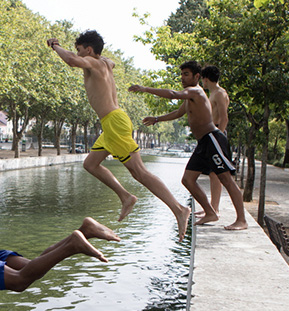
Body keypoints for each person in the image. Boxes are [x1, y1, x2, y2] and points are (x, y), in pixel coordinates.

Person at [47, 30, 191, 241]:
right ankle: (125, 197)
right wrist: (100, 56)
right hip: (111, 124)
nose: (77, 54)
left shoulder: (93, 62)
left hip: (114, 122)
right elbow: (111, 62)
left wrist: (55, 45)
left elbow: (71, 60)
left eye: (79, 50)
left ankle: (179, 209)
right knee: (90, 164)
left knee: (140, 173)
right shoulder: (105, 62)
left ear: (89, 50)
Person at [129, 61, 248, 231]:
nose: (182, 78)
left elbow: (172, 94)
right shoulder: (189, 96)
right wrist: (157, 119)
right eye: (181, 74)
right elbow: (178, 112)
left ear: (197, 76)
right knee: (187, 180)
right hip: (203, 143)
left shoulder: (196, 91)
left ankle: (242, 220)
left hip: (212, 139)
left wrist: (145, 89)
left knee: (226, 179)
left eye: (186, 74)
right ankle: (210, 212)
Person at [200, 65, 231, 217]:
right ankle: (211, 207)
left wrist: (219, 136)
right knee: (212, 173)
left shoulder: (219, 93)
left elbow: (224, 117)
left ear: (206, 79)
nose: (202, 83)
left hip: (217, 132)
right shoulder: (212, 93)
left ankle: (215, 208)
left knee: (216, 173)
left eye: (202, 80)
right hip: (211, 133)